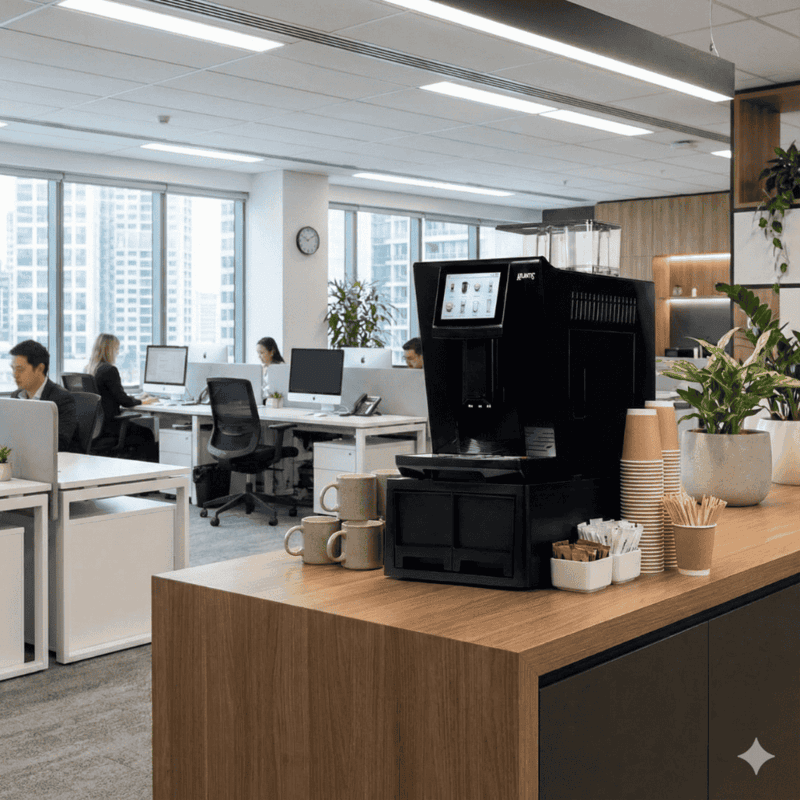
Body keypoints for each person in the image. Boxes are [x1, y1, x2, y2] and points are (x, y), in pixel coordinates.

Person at [87, 333, 159, 461]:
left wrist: (138, 398)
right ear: (109, 350)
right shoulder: (109, 370)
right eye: (116, 349)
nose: (118, 353)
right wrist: (144, 401)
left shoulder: (90, 369)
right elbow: (124, 401)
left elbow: (113, 395)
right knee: (147, 434)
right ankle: (151, 476)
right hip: (111, 428)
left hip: (95, 429)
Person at [9, 339, 81, 453]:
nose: (15, 374)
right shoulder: (16, 396)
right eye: (13, 369)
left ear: (40, 369)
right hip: (25, 458)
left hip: (60, 463)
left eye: (20, 369)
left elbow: (60, 443)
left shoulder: (62, 399)